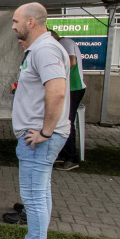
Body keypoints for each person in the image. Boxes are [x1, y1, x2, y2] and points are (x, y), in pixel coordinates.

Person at [0, 3, 69, 239]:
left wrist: (45, 132)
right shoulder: (39, 49)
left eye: (15, 21)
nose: (13, 26)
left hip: (38, 139)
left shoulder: (45, 50)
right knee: (41, 196)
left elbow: (57, 91)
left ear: (30, 22)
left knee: (34, 199)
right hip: (37, 136)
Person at [53, 30, 85, 172]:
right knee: (62, 119)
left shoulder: (64, 42)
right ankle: (64, 153)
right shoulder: (64, 43)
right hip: (71, 88)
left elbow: (72, 61)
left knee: (67, 121)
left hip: (73, 88)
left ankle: (71, 158)